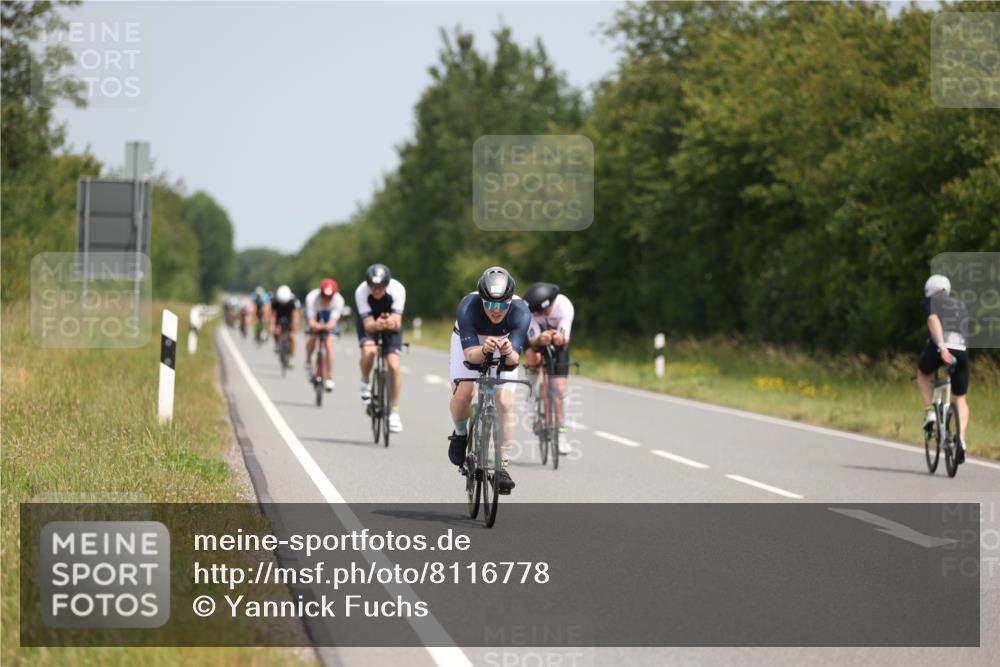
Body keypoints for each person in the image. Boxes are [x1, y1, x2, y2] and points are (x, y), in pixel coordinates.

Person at [448, 266, 531, 494]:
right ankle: (460, 432)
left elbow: (514, 360)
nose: (496, 311)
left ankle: (502, 464)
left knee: (505, 402)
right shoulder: (467, 307)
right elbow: (471, 356)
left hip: (503, 342)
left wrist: (506, 351)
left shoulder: (521, 311)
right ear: (482, 300)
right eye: (490, 305)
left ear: (510, 302)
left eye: (502, 305)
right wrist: (484, 350)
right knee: (465, 392)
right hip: (471, 343)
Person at [916, 274, 971, 463]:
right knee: (961, 398)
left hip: (942, 347)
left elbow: (933, 320)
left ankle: (931, 410)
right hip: (962, 349)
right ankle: (961, 440)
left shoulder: (930, 300)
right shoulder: (960, 304)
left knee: (922, 374)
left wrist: (941, 346)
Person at [522, 282, 575, 454]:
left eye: (540, 312)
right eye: (534, 312)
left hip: (557, 341)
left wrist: (557, 338)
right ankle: (530, 396)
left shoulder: (564, 306)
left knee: (559, 389)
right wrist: (541, 339)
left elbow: (564, 339)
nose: (537, 314)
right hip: (536, 340)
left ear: (548, 306)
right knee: (533, 357)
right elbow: (533, 341)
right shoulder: (529, 313)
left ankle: (561, 435)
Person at [355, 264, 407, 433]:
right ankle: (364, 381)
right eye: (373, 286)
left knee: (393, 365)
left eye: (381, 287)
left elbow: (397, 321)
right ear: (368, 284)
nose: (376, 290)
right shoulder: (361, 291)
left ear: (387, 283)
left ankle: (394, 412)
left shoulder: (398, 289)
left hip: (391, 326)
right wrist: (376, 324)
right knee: (369, 351)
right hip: (369, 323)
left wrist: (388, 322)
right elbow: (368, 324)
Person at [304, 278, 345, 392]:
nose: (326, 299)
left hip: (329, 317)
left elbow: (333, 321)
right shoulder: (312, 298)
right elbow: (311, 320)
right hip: (315, 315)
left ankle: (329, 377)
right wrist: (315, 326)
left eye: (329, 297)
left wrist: (327, 327)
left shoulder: (339, 300)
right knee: (312, 337)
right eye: (324, 296)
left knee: (329, 342)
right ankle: (308, 360)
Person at [270, 285, 300, 364]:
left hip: (289, 317)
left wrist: (295, 325)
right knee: (275, 331)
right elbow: (273, 315)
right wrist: (272, 325)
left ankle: (291, 357)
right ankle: (277, 343)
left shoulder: (293, 301)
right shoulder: (274, 301)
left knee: (292, 337)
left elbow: (295, 314)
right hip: (278, 317)